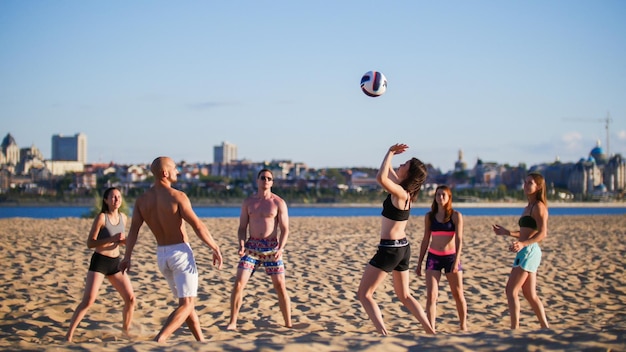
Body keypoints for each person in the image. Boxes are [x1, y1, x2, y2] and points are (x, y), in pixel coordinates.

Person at [119, 156, 223, 343]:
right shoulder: (177, 196)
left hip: (162, 256)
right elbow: (198, 226)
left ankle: (201, 341)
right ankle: (161, 338)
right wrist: (214, 246)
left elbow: (133, 231)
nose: (177, 171)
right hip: (180, 253)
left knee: (186, 303)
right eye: (174, 168)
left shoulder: (142, 200)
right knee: (187, 303)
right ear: (165, 173)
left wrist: (127, 257)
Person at [357, 143, 435, 336]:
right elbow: (386, 172)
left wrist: (390, 152)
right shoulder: (404, 191)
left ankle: (383, 335)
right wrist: (390, 156)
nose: (401, 165)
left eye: (405, 164)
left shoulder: (400, 193)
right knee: (405, 295)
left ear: (409, 174)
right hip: (402, 248)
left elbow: (380, 177)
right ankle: (430, 332)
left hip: (390, 249)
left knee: (364, 294)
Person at [66, 187, 135, 342]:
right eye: (112, 197)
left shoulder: (123, 217)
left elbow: (120, 241)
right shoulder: (101, 218)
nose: (116, 200)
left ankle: (126, 331)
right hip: (100, 262)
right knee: (88, 300)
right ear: (106, 200)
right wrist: (111, 239)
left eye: (118, 197)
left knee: (130, 298)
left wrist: (124, 242)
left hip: (115, 263)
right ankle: (69, 335)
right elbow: (90, 243)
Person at [226, 168, 292, 330]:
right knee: (239, 283)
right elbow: (242, 227)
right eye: (263, 178)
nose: (266, 181)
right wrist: (241, 244)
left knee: (280, 286)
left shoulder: (278, 202)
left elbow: (285, 229)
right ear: (257, 180)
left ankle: (288, 323)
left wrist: (281, 248)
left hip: (271, 248)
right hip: (252, 247)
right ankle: (232, 322)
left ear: (272, 182)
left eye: (269, 178)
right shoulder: (248, 202)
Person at [492, 172, 550, 329]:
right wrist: (507, 232)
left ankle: (514, 328)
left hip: (529, 250)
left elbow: (543, 233)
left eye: (530, 183)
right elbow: (525, 232)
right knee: (530, 294)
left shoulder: (539, 207)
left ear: (538, 187)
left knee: (511, 290)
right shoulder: (528, 207)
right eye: (525, 182)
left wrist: (523, 244)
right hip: (525, 249)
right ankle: (545, 328)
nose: (526, 185)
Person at [416, 185, 468, 331]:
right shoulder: (430, 216)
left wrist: (457, 260)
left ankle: (463, 325)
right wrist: (419, 262)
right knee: (432, 295)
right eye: (438, 195)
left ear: (449, 197)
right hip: (433, 258)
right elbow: (425, 239)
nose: (441, 197)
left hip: (451, 257)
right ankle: (431, 328)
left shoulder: (456, 215)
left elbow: (459, 239)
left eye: (444, 195)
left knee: (458, 294)